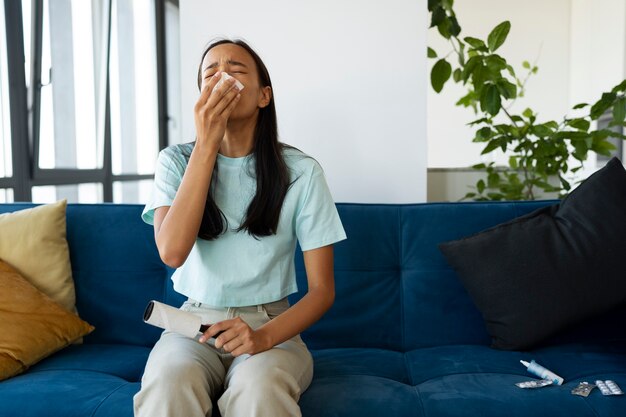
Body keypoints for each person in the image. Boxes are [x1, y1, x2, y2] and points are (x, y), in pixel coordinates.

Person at [133, 38, 347, 417]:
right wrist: (206, 145)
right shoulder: (175, 161)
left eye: (235, 70)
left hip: (271, 326)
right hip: (195, 325)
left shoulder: (301, 172)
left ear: (264, 96)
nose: (221, 79)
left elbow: (322, 291)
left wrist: (261, 337)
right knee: (168, 383)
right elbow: (172, 252)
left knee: (259, 390)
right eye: (210, 73)